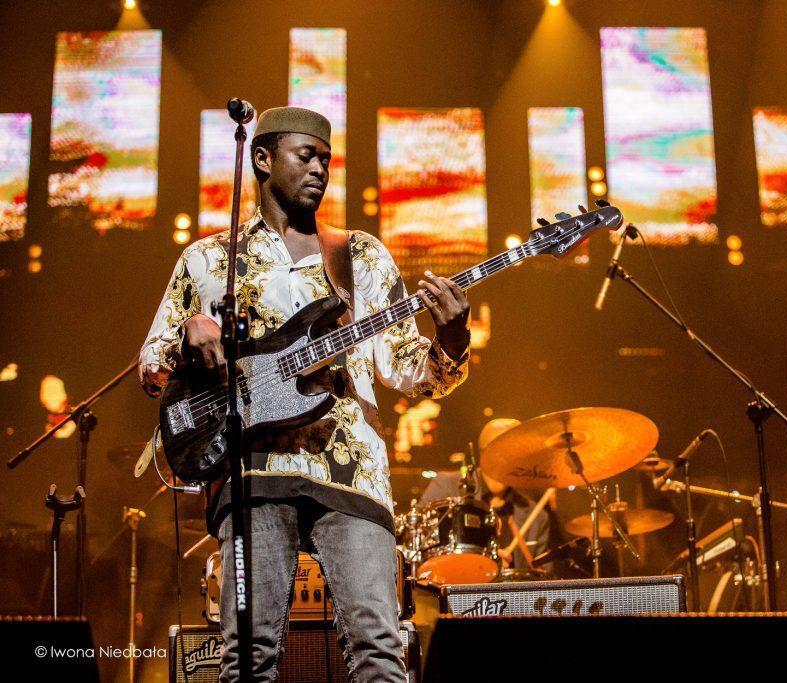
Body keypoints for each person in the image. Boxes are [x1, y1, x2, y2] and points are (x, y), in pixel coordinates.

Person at [138, 106, 471, 682]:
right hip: (253, 473)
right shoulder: (209, 260)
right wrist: (187, 331)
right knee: (249, 657)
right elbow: (151, 368)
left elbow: (409, 369)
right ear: (262, 158)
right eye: (306, 156)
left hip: (351, 474)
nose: (320, 169)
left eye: (326, 159)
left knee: (379, 649)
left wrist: (453, 337)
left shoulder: (360, 255)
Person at [419, 418, 557, 570]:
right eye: (512, 450)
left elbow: (544, 576)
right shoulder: (445, 487)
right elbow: (416, 545)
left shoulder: (537, 517)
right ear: (486, 452)